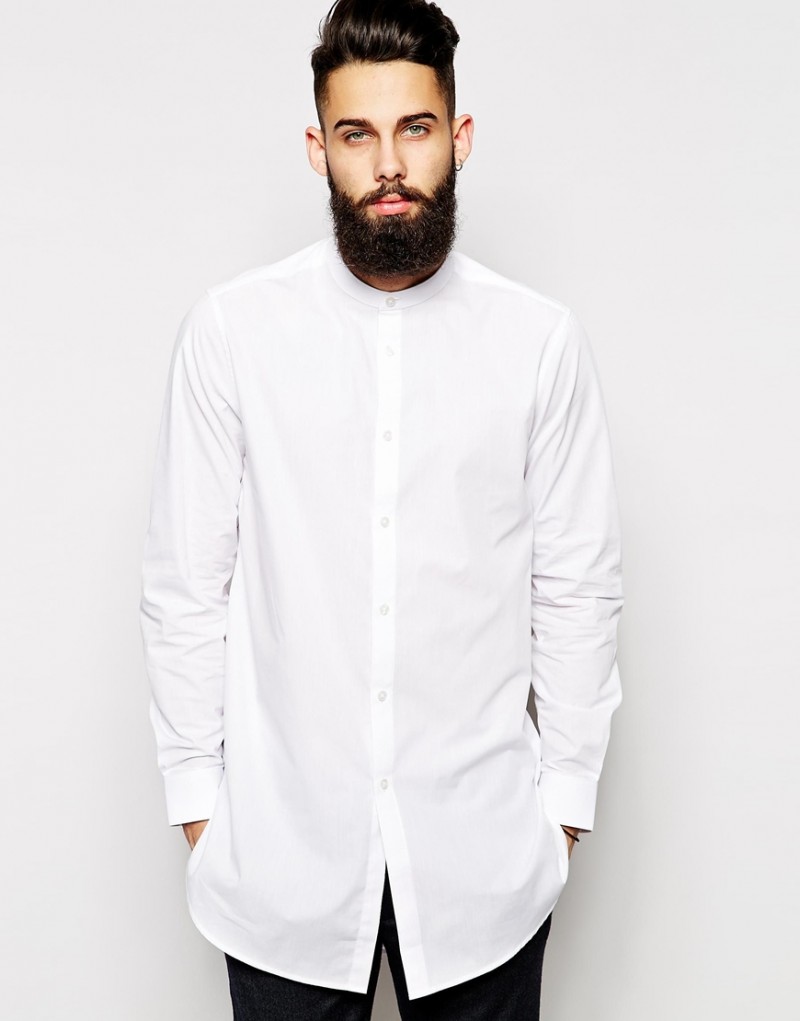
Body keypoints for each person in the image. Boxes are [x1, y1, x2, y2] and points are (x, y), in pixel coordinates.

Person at [139, 1, 624, 1017]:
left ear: (460, 136)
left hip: (486, 861)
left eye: (416, 128)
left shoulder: (537, 343)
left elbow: (577, 588)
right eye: (358, 134)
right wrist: (198, 809)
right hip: (281, 863)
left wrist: (562, 815)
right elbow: (186, 585)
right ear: (318, 149)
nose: (390, 164)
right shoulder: (233, 334)